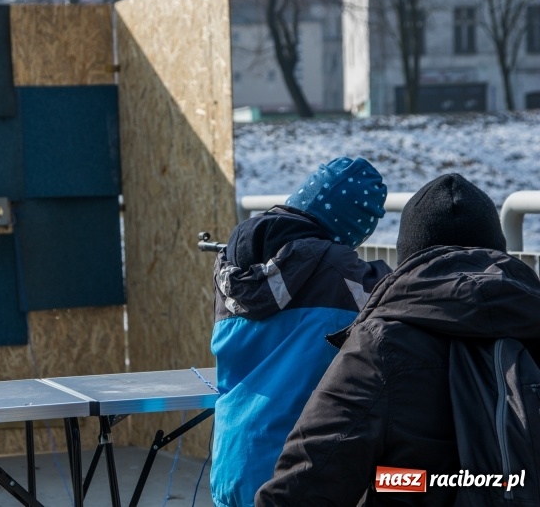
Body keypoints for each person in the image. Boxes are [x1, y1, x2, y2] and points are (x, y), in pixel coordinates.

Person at [255, 173, 540, 506]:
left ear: (408, 255)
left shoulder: (380, 344)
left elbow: (308, 480)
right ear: (497, 247)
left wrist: (399, 481)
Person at [210, 157, 392, 507]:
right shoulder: (337, 267)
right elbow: (395, 298)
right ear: (352, 224)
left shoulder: (229, 265)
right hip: (292, 469)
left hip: (231, 456)